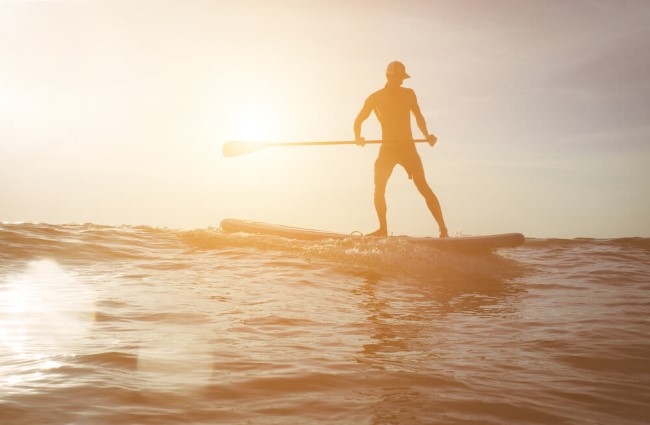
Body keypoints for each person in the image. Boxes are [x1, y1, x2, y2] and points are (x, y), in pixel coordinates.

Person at [354, 60, 448, 238]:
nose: (402, 81)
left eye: (403, 78)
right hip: (387, 149)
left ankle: (443, 230)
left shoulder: (409, 94)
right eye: (399, 78)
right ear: (389, 76)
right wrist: (357, 137)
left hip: (408, 149)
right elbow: (358, 120)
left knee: (423, 186)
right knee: (379, 188)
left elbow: (419, 117)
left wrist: (427, 135)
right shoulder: (375, 97)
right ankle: (382, 229)